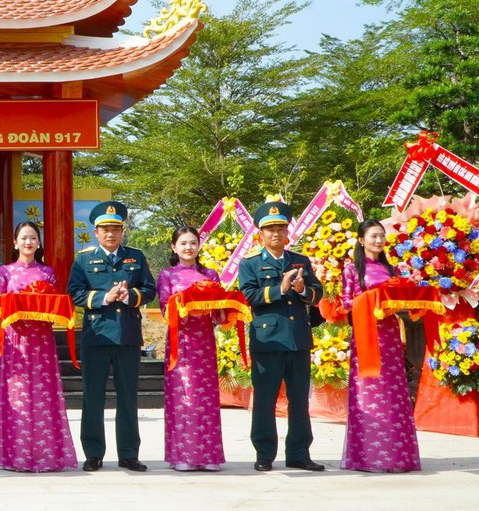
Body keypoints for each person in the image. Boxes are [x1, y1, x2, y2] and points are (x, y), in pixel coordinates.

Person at [67, 200, 156, 472]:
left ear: (122, 231)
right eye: (105, 229)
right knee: (92, 396)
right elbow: (75, 293)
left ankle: (129, 454)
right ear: (96, 232)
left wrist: (130, 296)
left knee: (128, 396)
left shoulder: (136, 257)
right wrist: (105, 297)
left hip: (128, 335)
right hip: (96, 335)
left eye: (116, 229)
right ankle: (93, 453)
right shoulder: (83, 259)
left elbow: (150, 289)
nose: (111, 234)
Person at [238, 201, 325, 472]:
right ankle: (264, 453)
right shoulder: (250, 263)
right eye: (270, 229)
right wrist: (280, 288)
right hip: (268, 341)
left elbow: (317, 293)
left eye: (281, 228)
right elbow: (249, 296)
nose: (276, 234)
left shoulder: (300, 261)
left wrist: (300, 289)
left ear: (288, 232)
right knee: (265, 399)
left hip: (298, 339)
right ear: (260, 234)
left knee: (299, 399)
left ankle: (299, 453)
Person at [0, 221, 78, 472]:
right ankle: (15, 455)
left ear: (38, 243)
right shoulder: (6, 272)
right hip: (16, 340)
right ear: (15, 242)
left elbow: (54, 304)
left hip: (41, 341)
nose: (28, 243)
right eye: (23, 238)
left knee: (43, 395)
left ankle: (45, 454)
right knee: (17, 396)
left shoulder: (47, 272)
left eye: (33, 238)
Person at [338, 218, 420, 472]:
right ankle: (368, 456)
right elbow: (347, 302)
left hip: (390, 334)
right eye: (373, 236)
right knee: (368, 392)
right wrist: (374, 300)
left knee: (393, 392)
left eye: (381, 236)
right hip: (365, 334)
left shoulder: (391, 269)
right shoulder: (352, 269)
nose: (378, 240)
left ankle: (397, 455)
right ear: (361, 240)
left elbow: (398, 299)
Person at [156, 226, 225, 472]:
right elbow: (166, 309)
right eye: (183, 243)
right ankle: (183, 455)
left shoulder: (210, 274)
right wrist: (185, 305)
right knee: (184, 396)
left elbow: (219, 311)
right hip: (181, 341)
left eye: (193, 243)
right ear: (174, 247)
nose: (188, 247)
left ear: (199, 246)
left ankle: (209, 455)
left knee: (206, 397)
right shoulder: (167, 276)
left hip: (205, 341)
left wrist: (225, 310)